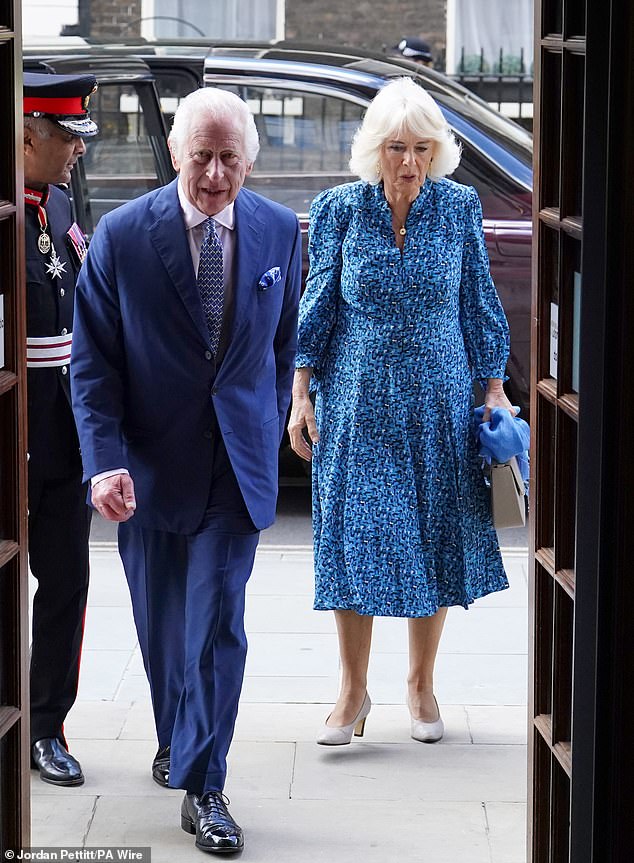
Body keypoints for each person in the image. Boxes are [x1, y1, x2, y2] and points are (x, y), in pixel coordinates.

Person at [70, 86, 301, 853]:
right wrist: (103, 463)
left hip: (237, 471)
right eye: (200, 156)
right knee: (165, 629)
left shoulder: (276, 231)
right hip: (147, 473)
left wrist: (264, 423)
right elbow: (92, 366)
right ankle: (179, 733)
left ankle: (206, 784)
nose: (213, 174)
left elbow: (279, 345)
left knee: (216, 628)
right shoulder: (122, 236)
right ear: (174, 154)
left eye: (229, 158)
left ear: (250, 160)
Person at [288, 77, 514, 747]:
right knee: (353, 541)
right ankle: (352, 691)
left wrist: (494, 388)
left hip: (439, 404)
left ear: (437, 151)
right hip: (356, 404)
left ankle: (421, 682)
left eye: (421, 147)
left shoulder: (459, 207)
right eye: (395, 147)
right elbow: (317, 307)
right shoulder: (338, 210)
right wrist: (300, 395)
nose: (409, 162)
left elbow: (478, 300)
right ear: (373, 150)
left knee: (437, 535)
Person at [23, 71, 98, 786]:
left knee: (67, 580)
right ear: (24, 136)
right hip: (11, 427)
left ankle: (47, 725)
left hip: (65, 432)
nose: (77, 147)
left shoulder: (61, 202)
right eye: (66, 135)